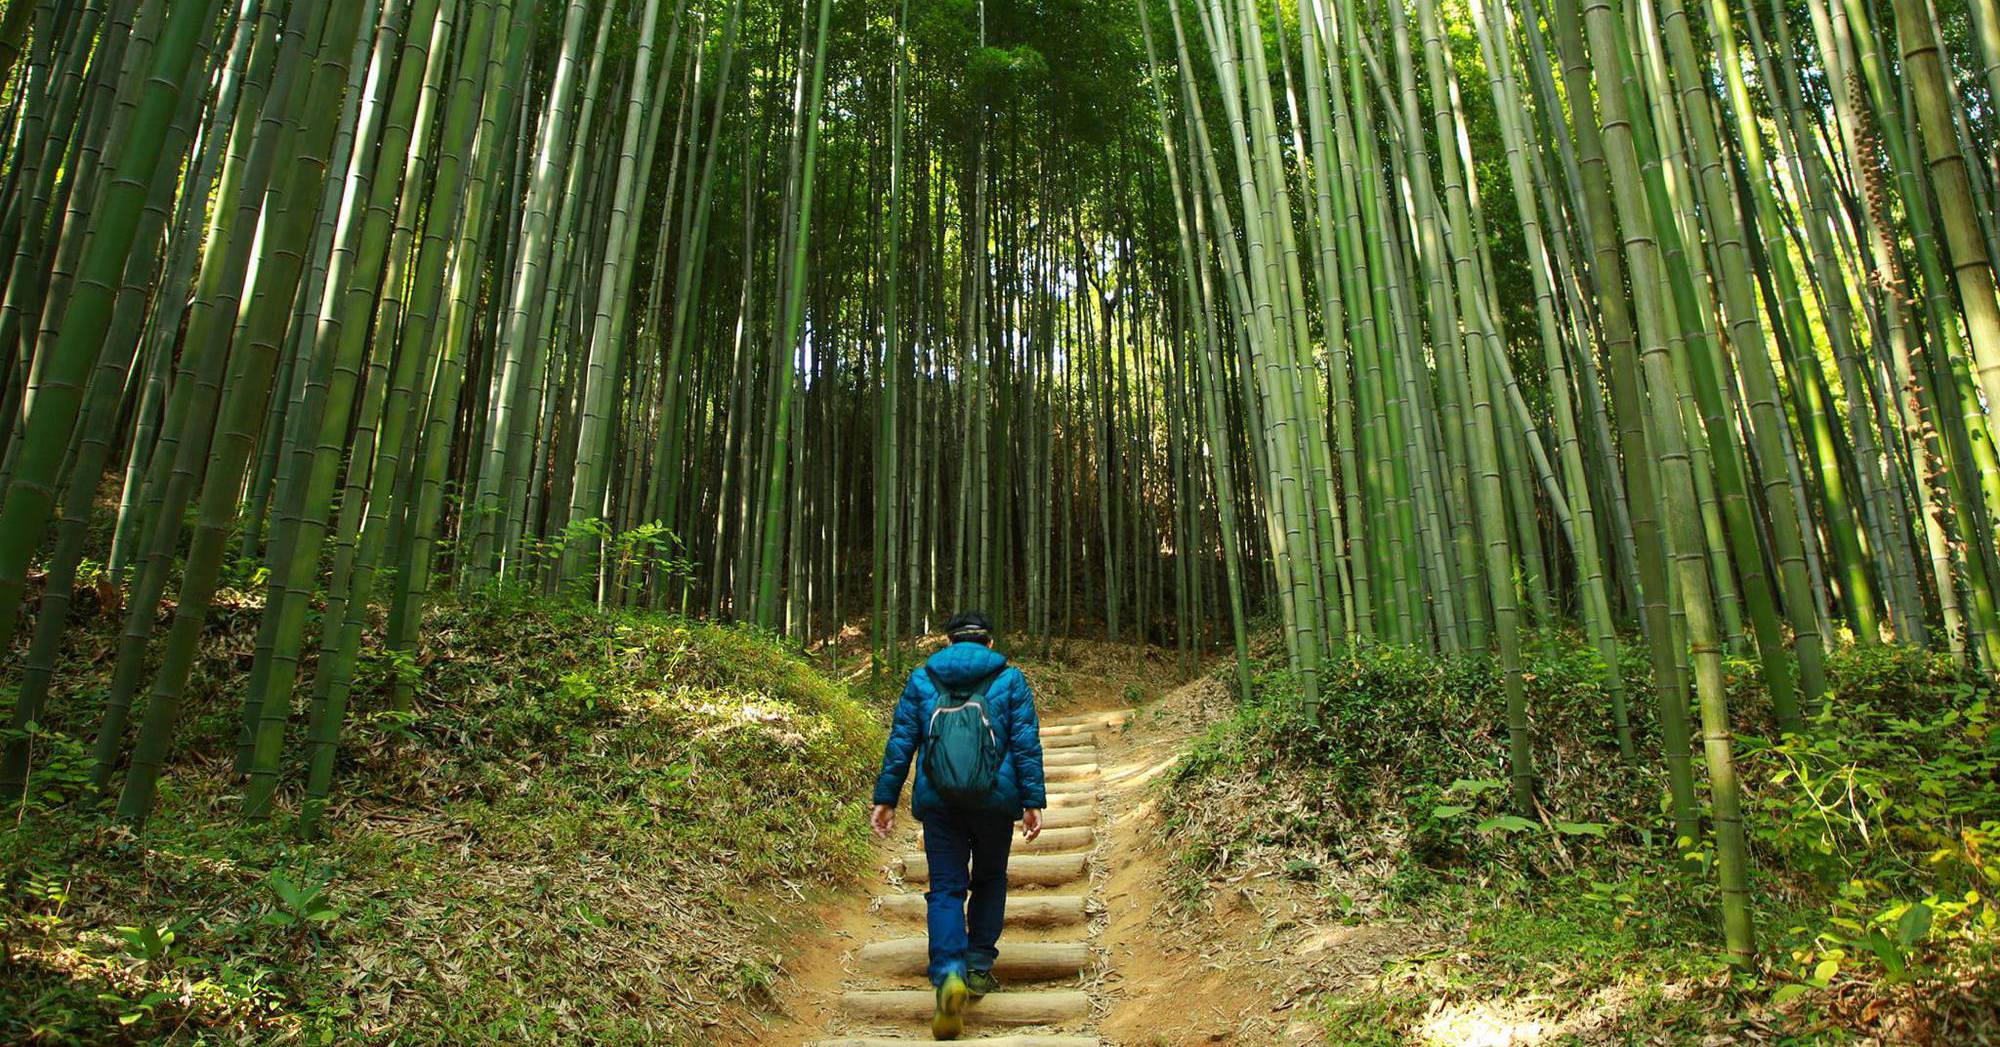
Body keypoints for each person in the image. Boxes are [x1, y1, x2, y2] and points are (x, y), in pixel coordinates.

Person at [869, 610, 1046, 1040]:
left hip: (940, 802)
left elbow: (901, 742)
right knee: (988, 880)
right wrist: (1032, 801)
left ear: (947, 642)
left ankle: (948, 972)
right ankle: (979, 967)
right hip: (994, 800)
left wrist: (886, 798)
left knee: (946, 888)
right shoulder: (1009, 679)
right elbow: (1025, 742)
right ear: (988, 642)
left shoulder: (923, 679)